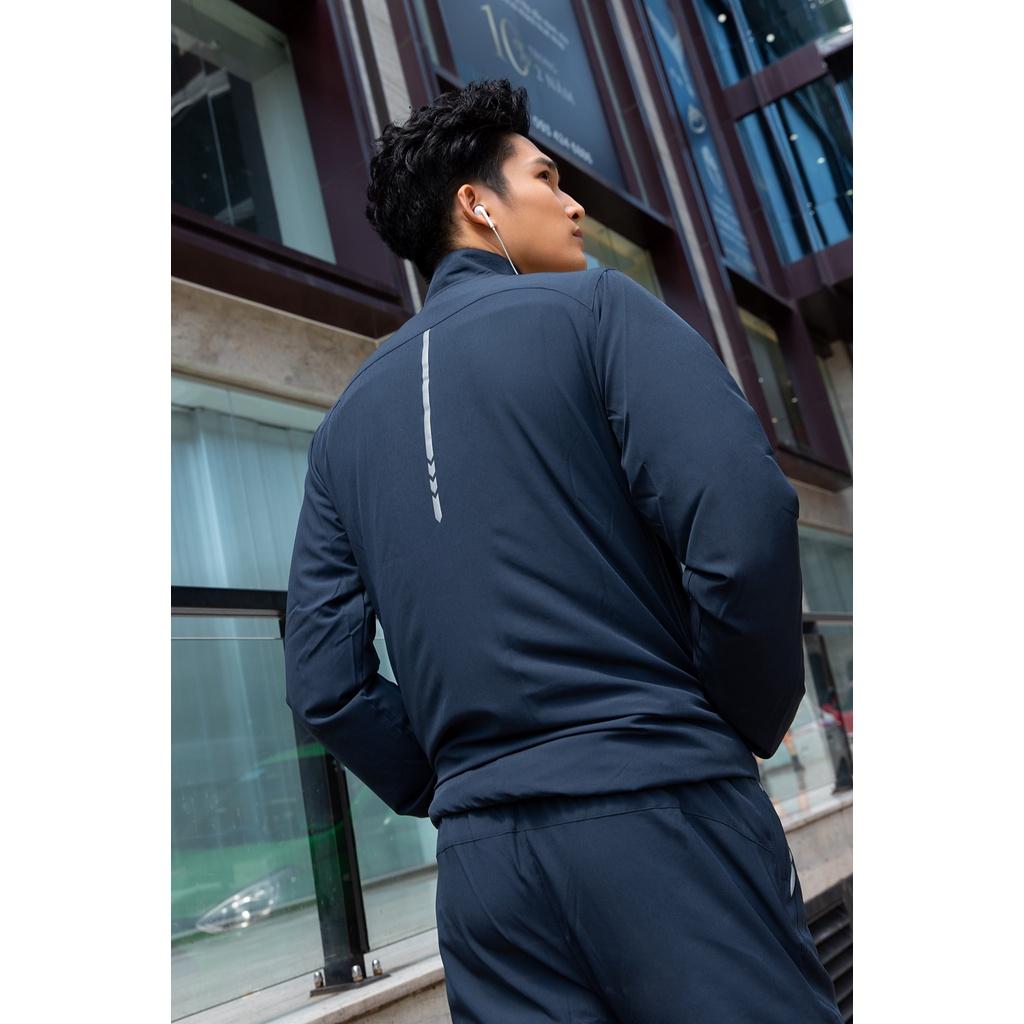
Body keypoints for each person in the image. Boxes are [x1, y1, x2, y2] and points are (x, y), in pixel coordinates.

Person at [284, 78, 843, 1023]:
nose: (574, 203)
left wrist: (457, 783)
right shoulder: (598, 311)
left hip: (485, 879)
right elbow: (743, 517)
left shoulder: (341, 427)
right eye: (546, 177)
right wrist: (732, 721)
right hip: (664, 808)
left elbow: (323, 683)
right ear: (477, 204)